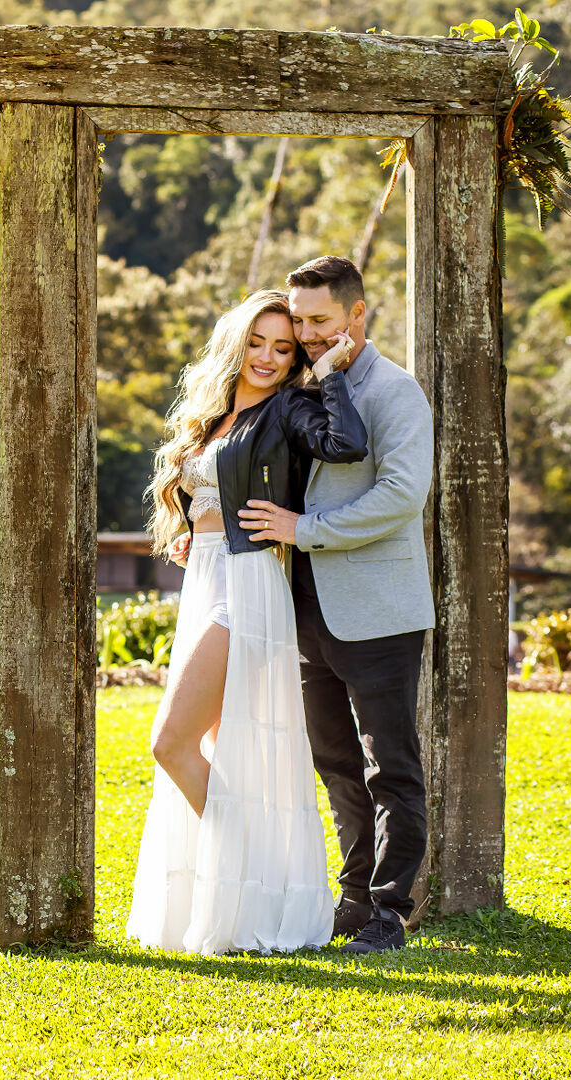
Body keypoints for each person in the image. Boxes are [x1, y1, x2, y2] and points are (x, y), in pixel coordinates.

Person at [127, 288, 365, 955]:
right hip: (205, 575)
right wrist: (189, 534)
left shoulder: (288, 406)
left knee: (169, 743)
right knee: (199, 746)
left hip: (247, 586)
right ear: (235, 344)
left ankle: (268, 877)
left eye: (282, 348)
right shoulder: (215, 416)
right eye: (256, 342)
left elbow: (344, 444)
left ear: (293, 359)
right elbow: (206, 496)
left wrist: (326, 376)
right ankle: (258, 881)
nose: (266, 357)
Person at [236, 256, 435, 954]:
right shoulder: (301, 385)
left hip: (378, 610)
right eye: (298, 320)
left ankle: (389, 911)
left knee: (391, 768)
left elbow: (401, 497)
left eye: (319, 320)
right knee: (336, 765)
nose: (306, 333)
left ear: (356, 314)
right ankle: (352, 901)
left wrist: (304, 531)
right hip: (303, 610)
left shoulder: (395, 392)